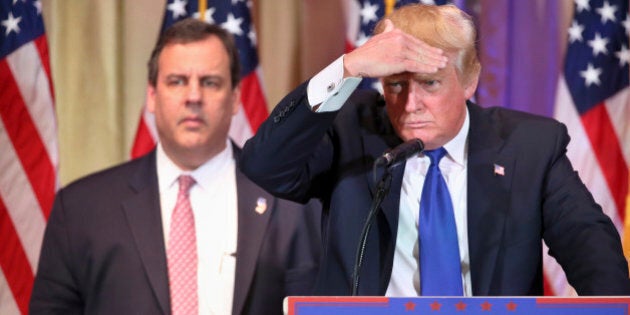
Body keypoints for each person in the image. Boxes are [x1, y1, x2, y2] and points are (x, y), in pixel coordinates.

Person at [239, 3, 630, 297]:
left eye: (429, 83)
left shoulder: (530, 147)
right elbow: (263, 166)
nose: (410, 104)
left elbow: (594, 257)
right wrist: (347, 68)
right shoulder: (350, 130)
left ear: (470, 79)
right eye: (395, 85)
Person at [30, 18, 321, 315]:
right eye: (177, 81)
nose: (193, 97)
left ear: (235, 98)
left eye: (210, 82)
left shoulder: (293, 207)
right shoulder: (82, 208)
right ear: (152, 96)